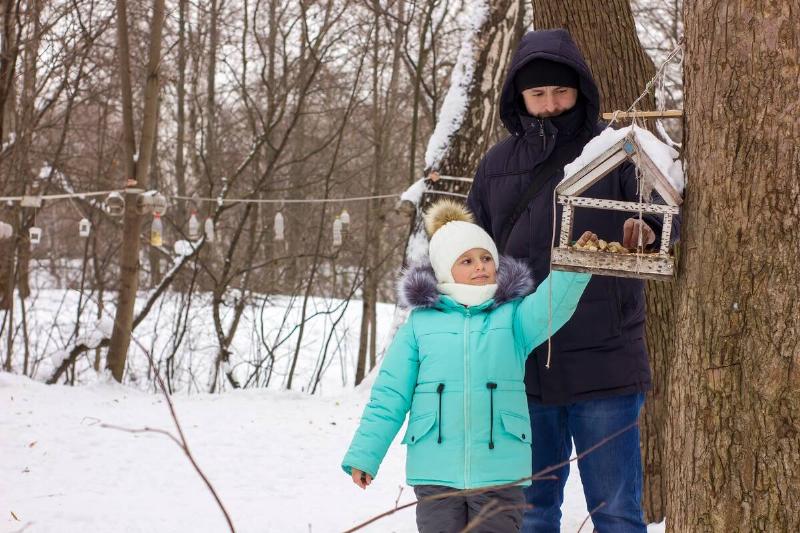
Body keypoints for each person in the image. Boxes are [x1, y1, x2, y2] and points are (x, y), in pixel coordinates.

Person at [466, 29, 679, 533]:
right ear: (518, 97)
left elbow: (662, 210)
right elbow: (470, 251)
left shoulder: (614, 151)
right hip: (523, 369)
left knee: (617, 512)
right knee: (534, 513)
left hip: (605, 361)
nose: (549, 104)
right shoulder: (496, 166)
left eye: (560, 92)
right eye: (537, 94)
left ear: (579, 90)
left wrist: (643, 232)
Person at [342, 200, 591, 532]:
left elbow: (552, 306)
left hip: (499, 472)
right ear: (446, 269)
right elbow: (390, 394)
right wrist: (365, 454)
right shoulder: (420, 324)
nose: (481, 266)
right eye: (468, 260)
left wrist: (574, 269)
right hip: (436, 471)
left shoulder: (513, 316)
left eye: (487, 257)